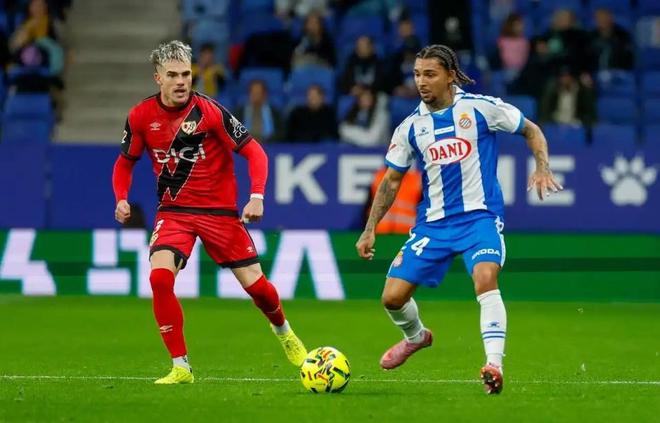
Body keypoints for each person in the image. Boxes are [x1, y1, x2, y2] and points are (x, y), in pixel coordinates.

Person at [355, 44, 563, 395]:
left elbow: (532, 130)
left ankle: (494, 365)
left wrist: (542, 166)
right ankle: (416, 337)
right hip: (433, 226)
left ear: (450, 75)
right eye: (417, 74)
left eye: (430, 74)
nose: (421, 82)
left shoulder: (481, 108)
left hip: (479, 219)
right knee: (392, 298)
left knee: (485, 278)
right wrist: (369, 229)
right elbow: (391, 181)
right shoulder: (410, 128)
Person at [111, 41, 307, 384]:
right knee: (159, 279)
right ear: (158, 78)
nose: (181, 81)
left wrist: (257, 196)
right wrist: (121, 198)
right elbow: (124, 163)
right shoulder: (141, 116)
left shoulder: (210, 112)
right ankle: (180, 367)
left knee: (258, 288)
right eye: (173, 75)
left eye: (186, 74)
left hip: (220, 213)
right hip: (174, 212)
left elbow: (255, 152)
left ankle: (284, 331)